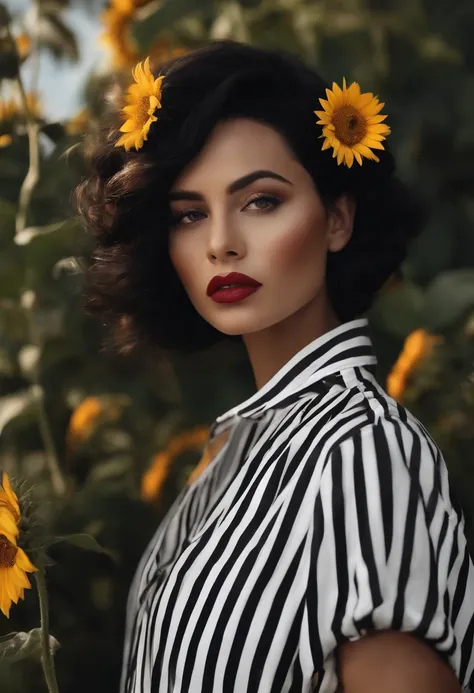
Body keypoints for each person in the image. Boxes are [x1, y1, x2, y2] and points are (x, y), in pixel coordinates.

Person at [75, 40, 474, 693]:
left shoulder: (361, 453)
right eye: (188, 213)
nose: (220, 241)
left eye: (260, 200)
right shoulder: (232, 461)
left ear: (337, 217)